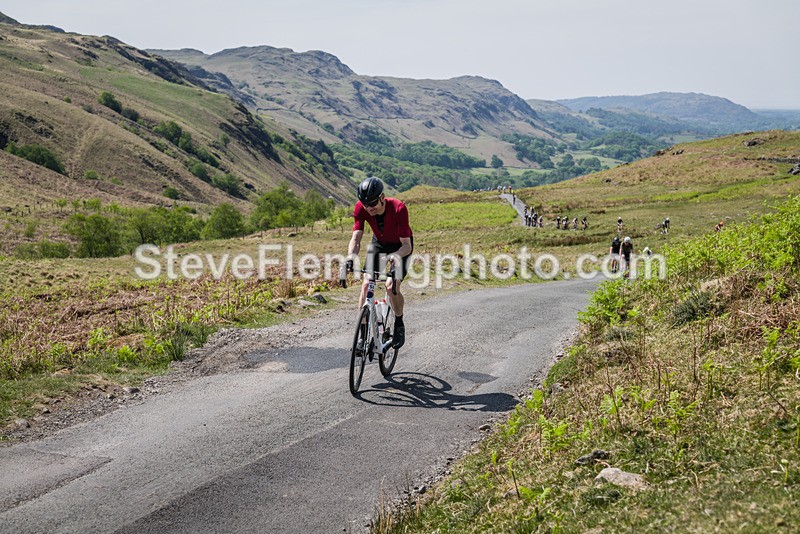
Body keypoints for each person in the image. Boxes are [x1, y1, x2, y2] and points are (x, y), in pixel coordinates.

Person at [346, 177, 413, 349]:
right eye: (365, 204)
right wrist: (350, 257)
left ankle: (399, 323)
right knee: (366, 284)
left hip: (400, 247)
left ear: (382, 197)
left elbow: (407, 246)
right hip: (379, 243)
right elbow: (356, 238)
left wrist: (396, 256)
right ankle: (362, 336)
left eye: (372, 203)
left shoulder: (398, 208)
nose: (369, 208)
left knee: (391, 286)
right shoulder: (361, 208)